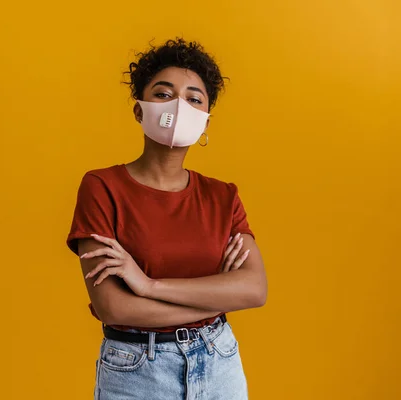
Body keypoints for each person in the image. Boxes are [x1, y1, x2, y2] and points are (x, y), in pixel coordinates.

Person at [66, 38, 267, 400]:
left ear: (206, 121)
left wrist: (148, 286)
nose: (178, 105)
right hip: (137, 370)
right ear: (139, 110)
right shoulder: (102, 187)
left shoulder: (223, 197)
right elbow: (114, 308)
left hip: (219, 362)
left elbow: (254, 290)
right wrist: (218, 294)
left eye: (193, 98)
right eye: (163, 93)